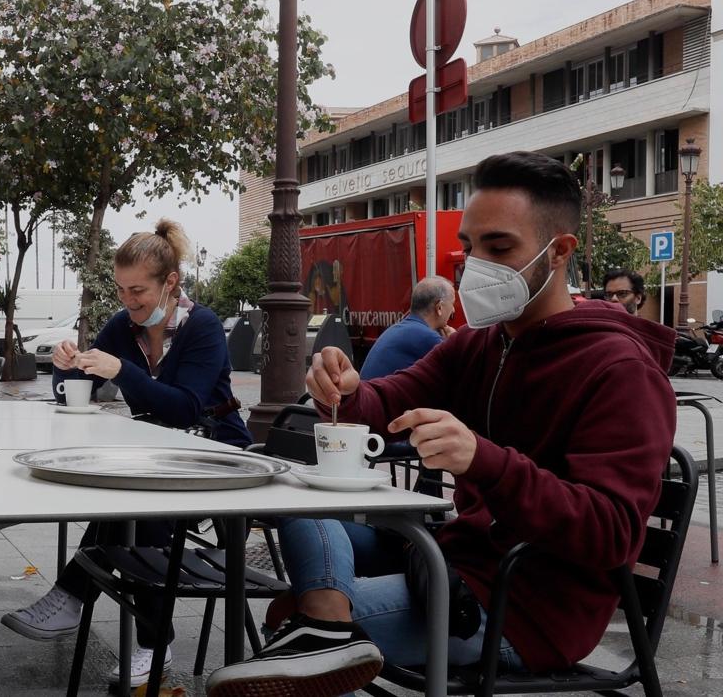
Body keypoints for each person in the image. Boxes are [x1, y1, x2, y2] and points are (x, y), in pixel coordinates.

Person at [206, 152, 676, 696]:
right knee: (292, 494)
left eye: (500, 248)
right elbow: (393, 397)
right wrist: (352, 389)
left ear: (561, 251)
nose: (477, 266)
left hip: (524, 606)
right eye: (472, 249)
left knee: (283, 645)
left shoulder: (620, 370)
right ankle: (327, 620)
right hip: (449, 561)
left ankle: (320, 625)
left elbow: (613, 533)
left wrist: (485, 460)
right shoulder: (483, 343)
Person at [1, 219, 253, 688]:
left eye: (138, 290)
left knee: (140, 505)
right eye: (121, 290)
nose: (129, 301)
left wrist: (124, 372)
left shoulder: (203, 327)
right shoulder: (122, 326)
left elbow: (186, 408)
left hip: (217, 447)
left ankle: (98, 610)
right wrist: (66, 369)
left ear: (169, 283)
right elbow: (78, 390)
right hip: (157, 452)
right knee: (133, 498)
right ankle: (126, 629)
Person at [358, 276, 456, 380]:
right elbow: (462, 371)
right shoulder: (427, 338)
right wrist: (455, 341)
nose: (453, 310)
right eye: (452, 303)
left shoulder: (403, 328)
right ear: (439, 308)